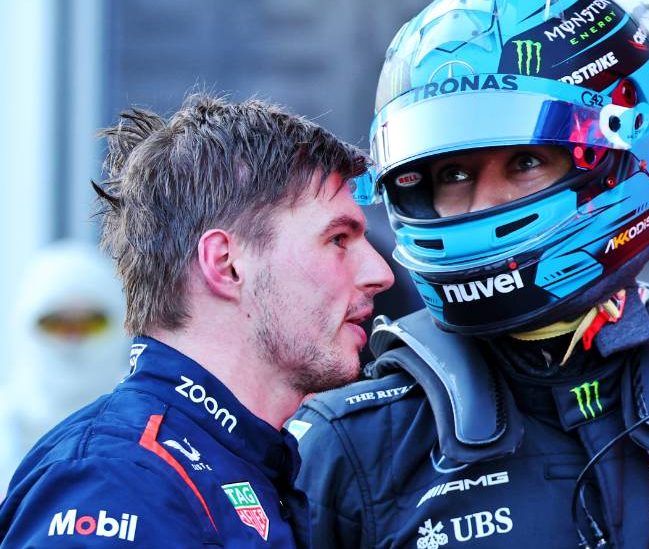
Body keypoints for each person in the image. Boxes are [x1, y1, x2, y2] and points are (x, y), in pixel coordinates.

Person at [289, 1, 649, 548]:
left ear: (630, 146)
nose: (483, 204)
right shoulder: (348, 447)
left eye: (526, 162)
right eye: (454, 173)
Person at [0, 94, 394, 547]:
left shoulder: (230, 459)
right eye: (338, 239)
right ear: (225, 264)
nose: (380, 273)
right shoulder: (118, 479)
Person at [0, 239, 128, 497]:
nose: (73, 339)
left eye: (91, 323)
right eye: (55, 323)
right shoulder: (7, 421)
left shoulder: (148, 419)